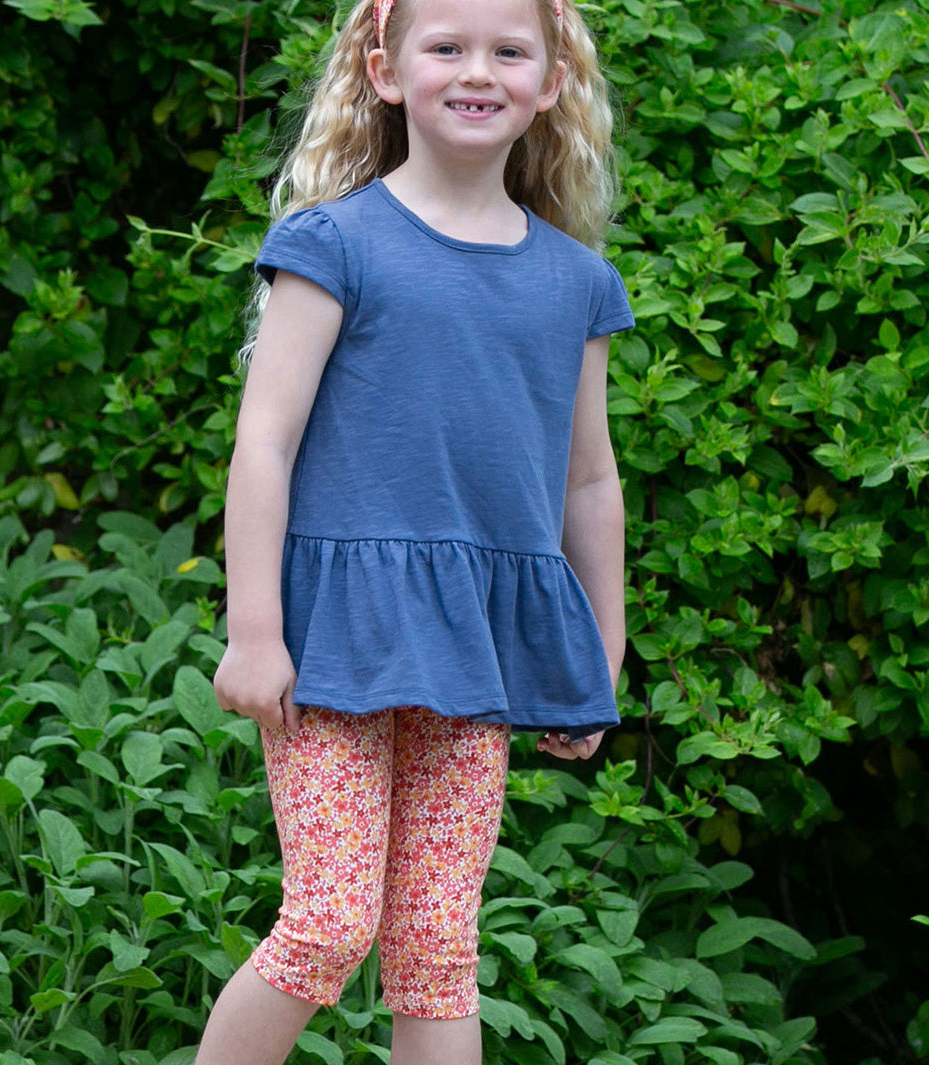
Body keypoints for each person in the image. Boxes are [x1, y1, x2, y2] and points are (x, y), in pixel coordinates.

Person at [198, 0, 633, 1061]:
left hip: (472, 644)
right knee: (327, 924)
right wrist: (253, 632)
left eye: (508, 50)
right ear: (386, 71)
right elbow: (264, 445)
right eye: (447, 46)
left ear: (551, 82)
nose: (477, 70)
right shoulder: (334, 243)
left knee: (438, 945)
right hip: (334, 642)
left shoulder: (577, 282)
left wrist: (601, 651)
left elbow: (588, 480)